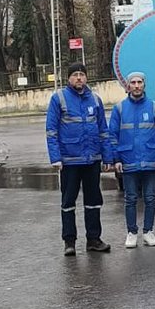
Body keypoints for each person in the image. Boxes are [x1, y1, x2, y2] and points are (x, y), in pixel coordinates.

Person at [46, 62, 114, 255]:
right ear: (69, 78)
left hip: (92, 160)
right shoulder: (58, 99)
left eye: (82, 75)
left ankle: (93, 239)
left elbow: (103, 131)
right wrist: (55, 157)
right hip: (69, 160)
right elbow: (51, 131)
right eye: (75, 75)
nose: (78, 78)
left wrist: (107, 157)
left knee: (93, 200)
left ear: (86, 78)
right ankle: (69, 241)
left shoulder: (95, 99)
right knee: (68, 202)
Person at [109, 72, 155, 248]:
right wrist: (116, 159)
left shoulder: (154, 107)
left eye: (139, 82)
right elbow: (112, 136)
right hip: (128, 160)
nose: (136, 85)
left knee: (150, 198)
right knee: (130, 199)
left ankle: (148, 231)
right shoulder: (119, 108)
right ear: (128, 86)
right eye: (133, 82)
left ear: (144, 84)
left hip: (150, 160)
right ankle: (131, 232)